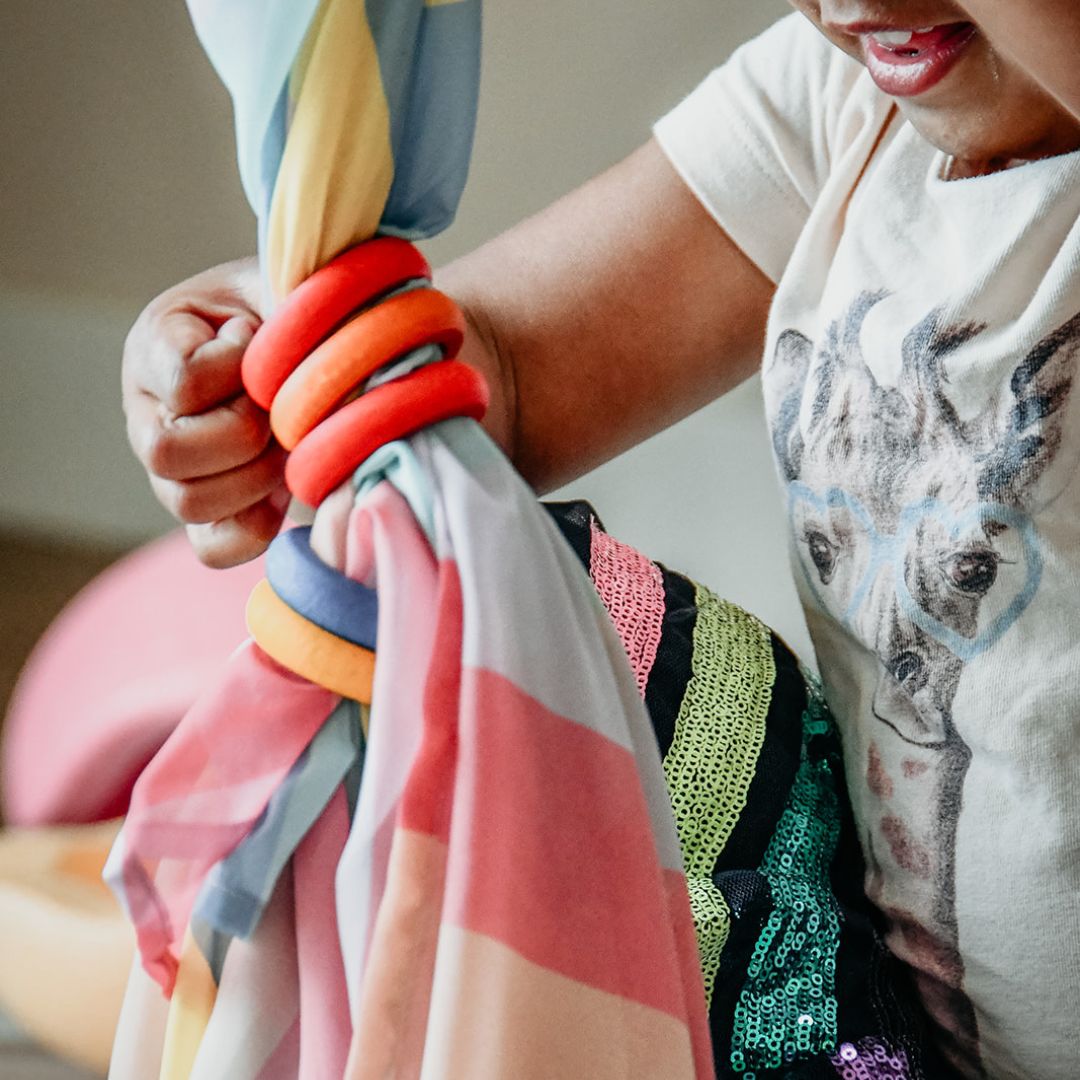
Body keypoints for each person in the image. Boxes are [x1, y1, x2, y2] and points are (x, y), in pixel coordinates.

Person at [122, 2, 1080, 1077]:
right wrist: (277, 346)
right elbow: (506, 375)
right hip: (885, 1030)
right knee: (568, 619)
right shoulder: (845, 102)